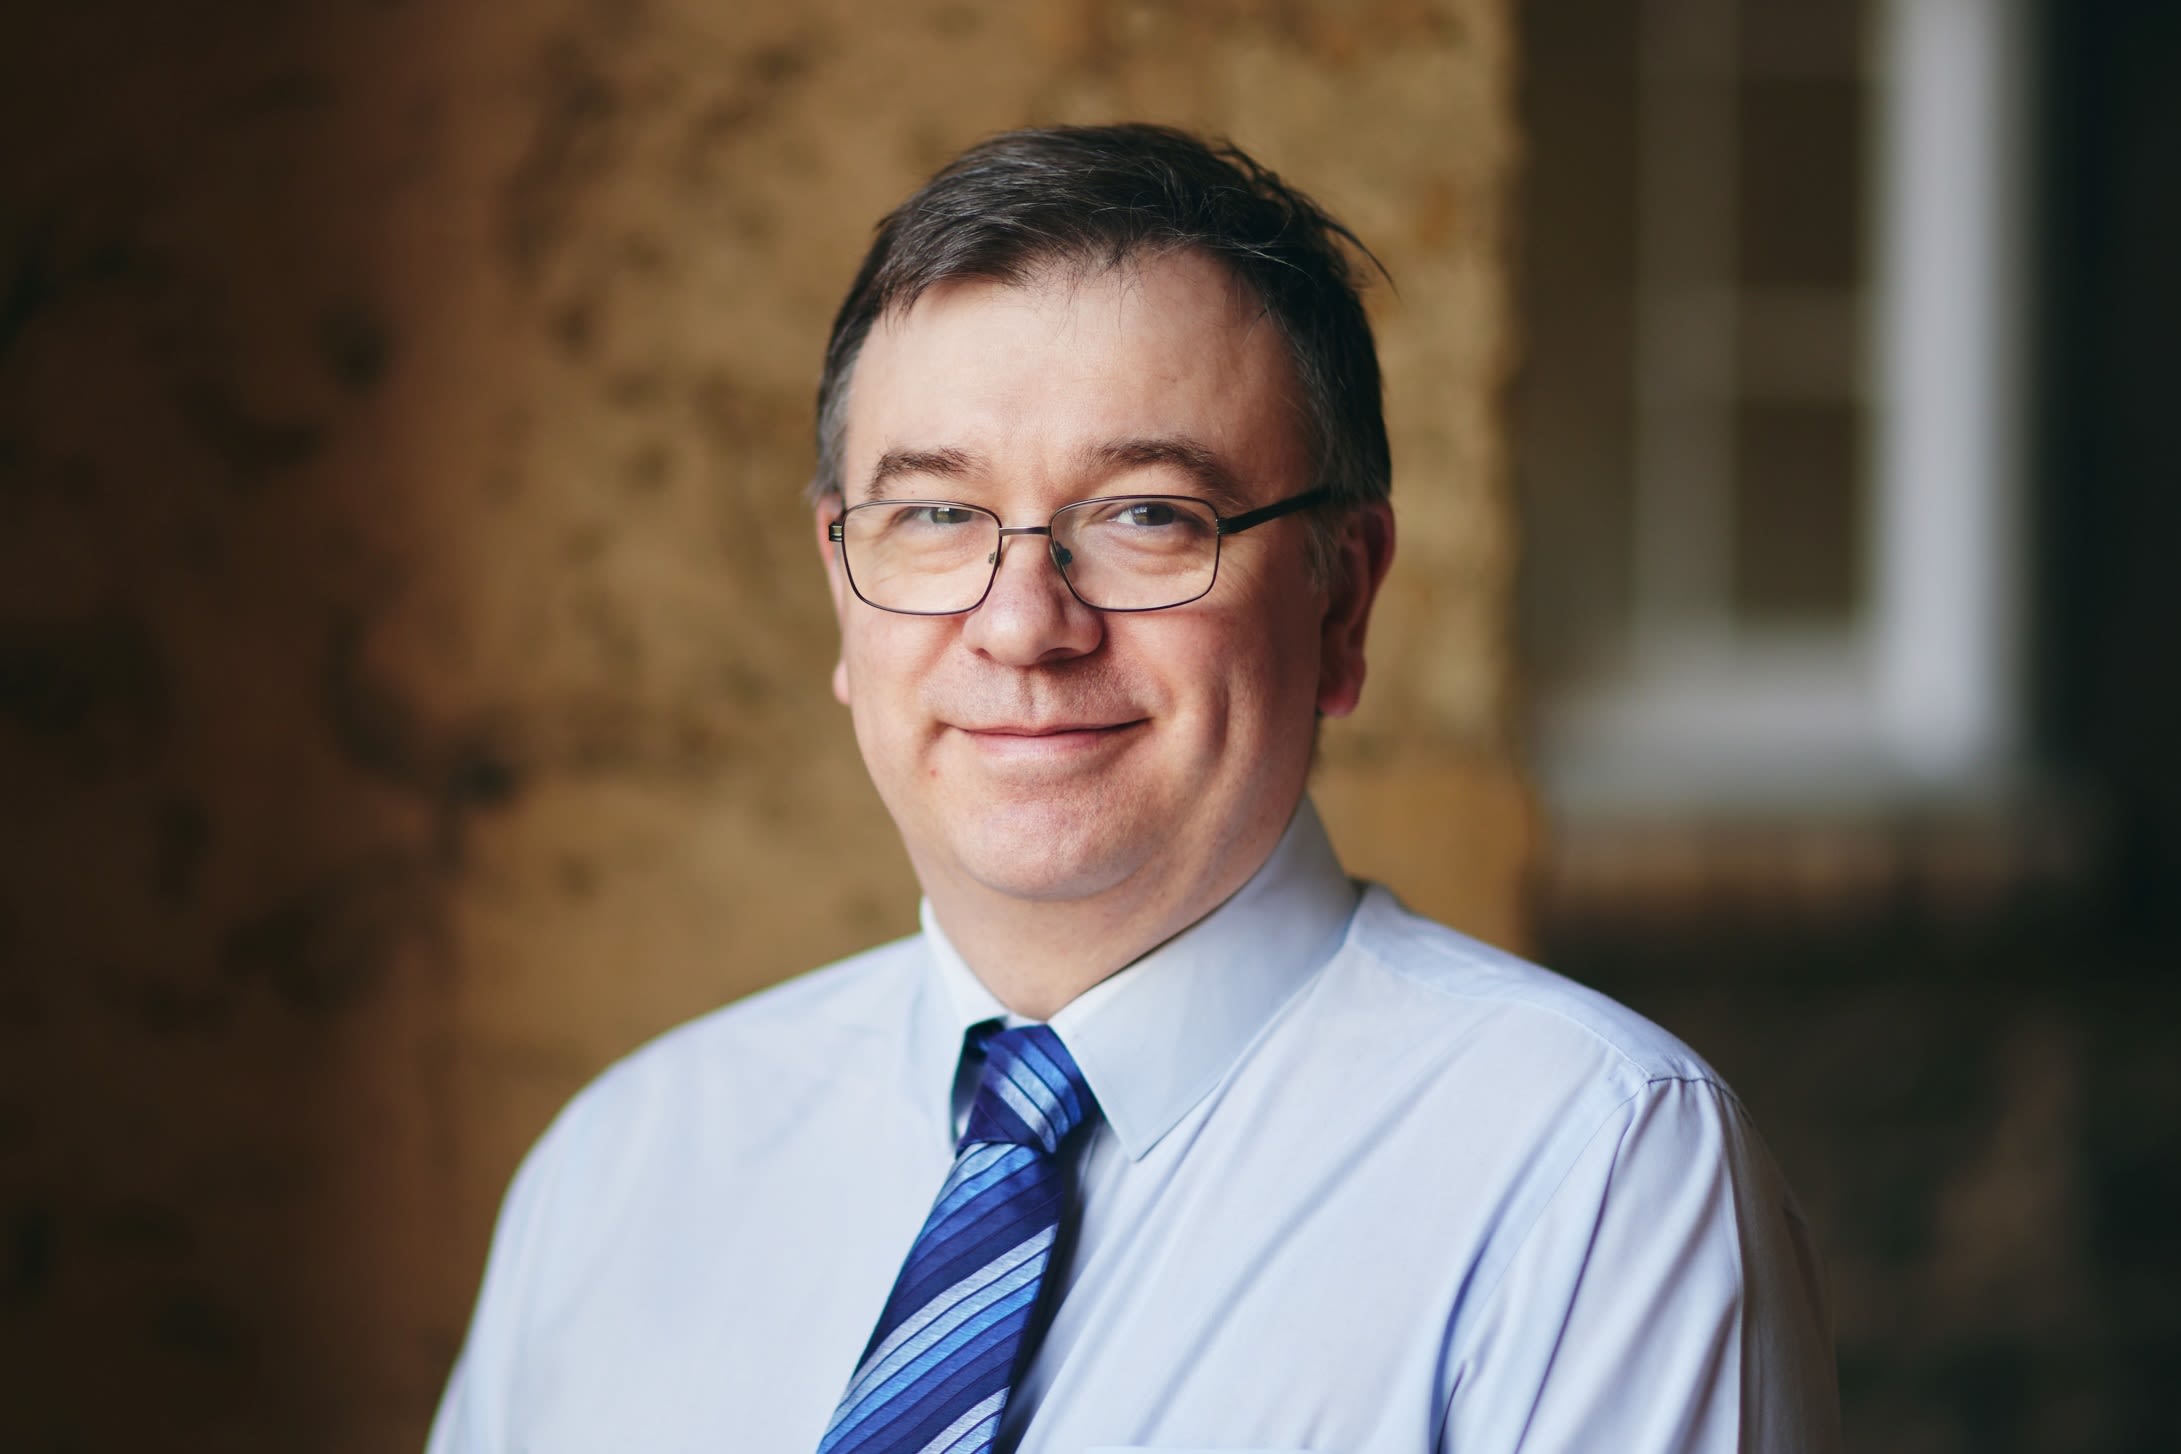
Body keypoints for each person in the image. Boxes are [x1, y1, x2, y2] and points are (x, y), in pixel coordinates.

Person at [427, 124, 1840, 1453]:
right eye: (933, 516)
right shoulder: (625, 1169)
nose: (1023, 622)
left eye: (1147, 515)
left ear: (1341, 598)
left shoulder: (1588, 1173)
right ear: (839, 592)